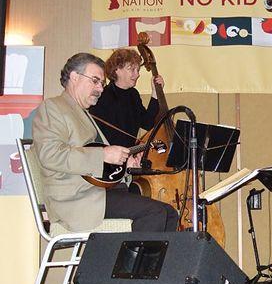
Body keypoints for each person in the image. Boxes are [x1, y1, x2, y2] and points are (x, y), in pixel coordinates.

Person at [32, 53, 178, 233]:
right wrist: (104, 154)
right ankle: (128, 262)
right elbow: (50, 155)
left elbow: (97, 166)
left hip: (97, 192)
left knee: (170, 213)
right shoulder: (53, 107)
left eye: (101, 83)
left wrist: (126, 165)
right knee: (155, 213)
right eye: (94, 81)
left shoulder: (84, 113)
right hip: (76, 199)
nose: (100, 89)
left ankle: (140, 262)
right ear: (75, 77)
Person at [89, 48, 163, 147]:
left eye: (137, 70)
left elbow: (148, 123)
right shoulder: (102, 97)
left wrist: (155, 93)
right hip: (110, 157)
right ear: (117, 70)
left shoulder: (133, 95)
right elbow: (99, 138)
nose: (137, 74)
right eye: (131, 69)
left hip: (129, 156)